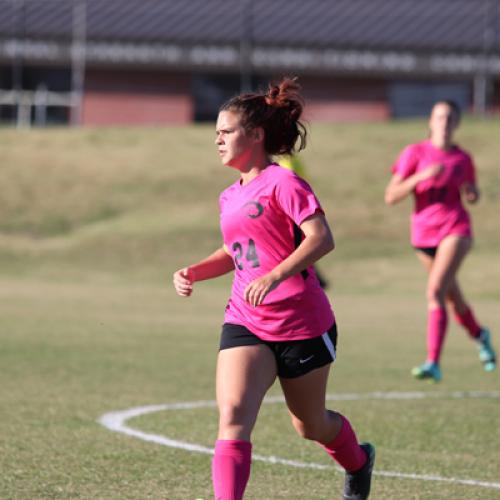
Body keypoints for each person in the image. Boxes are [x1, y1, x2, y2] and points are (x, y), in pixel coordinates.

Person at [173, 78, 375, 500]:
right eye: (216, 134)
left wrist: (275, 275)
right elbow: (236, 251)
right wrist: (194, 270)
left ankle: (358, 461)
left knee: (310, 425)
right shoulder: (230, 196)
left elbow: (322, 238)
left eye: (226, 132)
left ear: (256, 134)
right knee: (232, 417)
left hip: (302, 324)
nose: (218, 140)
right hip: (246, 321)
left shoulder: (284, 182)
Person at [385, 100, 496, 382]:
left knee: (434, 291)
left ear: (456, 123)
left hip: (455, 229)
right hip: (423, 235)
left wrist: (472, 194)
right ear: (431, 122)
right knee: (452, 298)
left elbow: (472, 193)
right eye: (439, 117)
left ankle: (433, 361)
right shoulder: (415, 153)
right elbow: (391, 196)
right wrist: (421, 176)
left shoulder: (462, 159)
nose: (444, 123)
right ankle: (480, 335)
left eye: (450, 118)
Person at [279, 154, 330, 289]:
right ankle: (317, 279)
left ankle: (314, 279)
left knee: (298, 247)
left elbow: (289, 184)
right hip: (297, 208)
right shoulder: (292, 159)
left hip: (293, 211)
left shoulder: (287, 162)